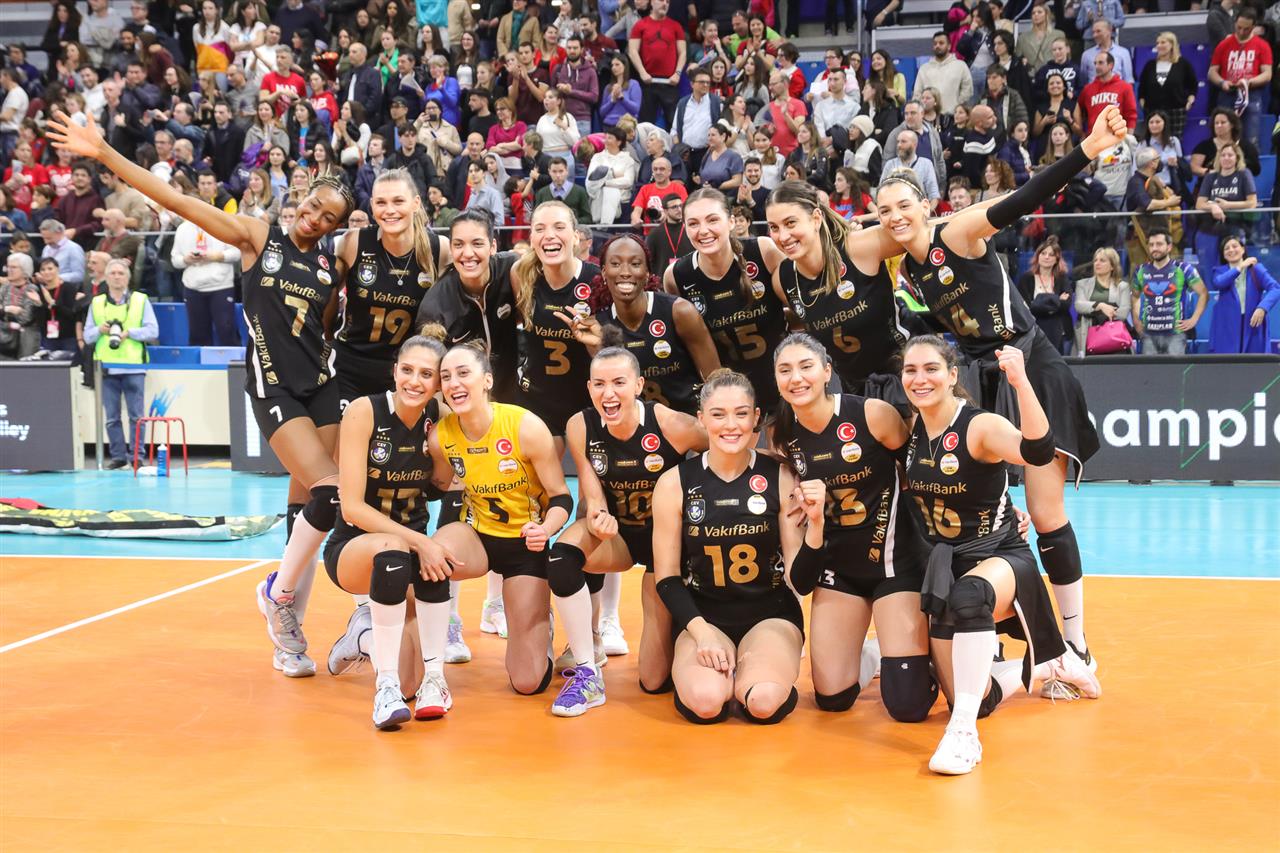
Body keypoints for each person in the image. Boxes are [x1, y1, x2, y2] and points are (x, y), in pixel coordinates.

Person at [48, 107, 354, 674]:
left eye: (327, 217)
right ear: (302, 197)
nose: (314, 218)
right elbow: (178, 201)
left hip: (321, 387)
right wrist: (105, 154)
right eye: (313, 206)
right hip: (274, 391)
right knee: (332, 492)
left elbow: (325, 328)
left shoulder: (327, 267)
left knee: (306, 513)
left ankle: (288, 637)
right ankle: (280, 596)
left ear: (335, 226)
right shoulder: (257, 236)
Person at [878, 105, 1130, 671]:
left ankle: (1076, 643)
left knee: (1044, 511)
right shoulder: (910, 271)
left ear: (926, 205)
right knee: (983, 513)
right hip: (984, 378)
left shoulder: (958, 232)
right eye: (884, 211)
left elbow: (1023, 199)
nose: (894, 217)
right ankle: (987, 632)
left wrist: (1089, 148)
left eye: (903, 206)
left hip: (1030, 365)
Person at [902, 333, 1099, 775]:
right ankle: (1049, 666)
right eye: (911, 370)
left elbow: (1037, 451)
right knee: (978, 696)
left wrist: (1021, 382)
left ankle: (962, 735)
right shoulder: (911, 429)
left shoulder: (979, 426)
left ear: (952, 375)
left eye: (931, 369)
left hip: (1001, 558)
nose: (920, 378)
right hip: (947, 564)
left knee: (970, 596)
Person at [536, 339, 709, 706]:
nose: (608, 393)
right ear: (589, 388)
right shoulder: (580, 425)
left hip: (668, 545)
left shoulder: (672, 424)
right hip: (620, 537)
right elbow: (591, 490)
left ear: (638, 385)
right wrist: (598, 516)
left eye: (618, 383)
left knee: (654, 680)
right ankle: (588, 664)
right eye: (599, 384)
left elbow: (727, 451)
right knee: (562, 557)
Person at [771, 333, 935, 717]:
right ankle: (873, 654)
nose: (796, 378)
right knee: (832, 699)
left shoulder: (872, 414)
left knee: (908, 705)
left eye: (806, 366)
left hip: (895, 565)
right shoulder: (783, 435)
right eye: (785, 370)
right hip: (840, 570)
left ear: (827, 371)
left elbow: (921, 472)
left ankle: (934, 656)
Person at [651, 368, 812, 725]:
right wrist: (701, 632)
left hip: (771, 613)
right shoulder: (674, 483)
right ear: (701, 418)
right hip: (704, 614)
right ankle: (727, 674)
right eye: (718, 414)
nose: (731, 425)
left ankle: (756, 670)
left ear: (756, 418)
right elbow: (667, 578)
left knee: (762, 702)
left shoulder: (780, 474)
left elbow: (799, 579)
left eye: (741, 414)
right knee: (706, 702)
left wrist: (814, 528)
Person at [424, 343, 575, 705]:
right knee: (430, 559)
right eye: (446, 377)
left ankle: (538, 622)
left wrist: (545, 530)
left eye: (464, 373)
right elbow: (435, 487)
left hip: (525, 544)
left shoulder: (524, 426)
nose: (454, 383)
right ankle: (429, 665)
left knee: (528, 682)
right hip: (475, 536)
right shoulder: (441, 436)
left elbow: (561, 498)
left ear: (487, 380)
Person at [324, 331, 457, 728]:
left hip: (407, 554)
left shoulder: (442, 418)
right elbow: (351, 507)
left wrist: (441, 446)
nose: (414, 381)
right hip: (354, 549)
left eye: (426, 374)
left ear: (438, 383)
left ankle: (365, 638)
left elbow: (441, 485)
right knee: (398, 549)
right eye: (407, 370)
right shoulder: (364, 412)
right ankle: (384, 689)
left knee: (411, 681)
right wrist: (421, 542)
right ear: (395, 370)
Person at [767, 181, 906, 398]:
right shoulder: (782, 280)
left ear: (816, 218)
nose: (783, 236)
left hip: (905, 372)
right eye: (774, 227)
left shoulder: (857, 247)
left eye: (790, 223)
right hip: (853, 389)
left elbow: (928, 231)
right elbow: (809, 318)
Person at [565, 233, 720, 416]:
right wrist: (598, 347)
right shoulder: (599, 326)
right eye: (615, 264)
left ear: (647, 273)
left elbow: (716, 380)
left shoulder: (679, 311)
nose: (625, 272)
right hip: (635, 428)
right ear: (604, 272)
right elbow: (610, 392)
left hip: (689, 422)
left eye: (635, 264)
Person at [666, 189, 787, 412]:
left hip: (782, 384)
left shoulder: (763, 251)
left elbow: (799, 309)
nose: (703, 230)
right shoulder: (676, 276)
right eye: (693, 223)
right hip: (729, 395)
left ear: (731, 221)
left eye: (712, 220)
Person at [509, 201, 600, 450]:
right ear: (531, 238)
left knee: (591, 473)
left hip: (587, 399)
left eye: (559, 227)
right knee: (540, 472)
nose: (549, 235)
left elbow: (610, 353)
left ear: (576, 236)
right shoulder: (521, 274)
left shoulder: (597, 280)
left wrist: (594, 344)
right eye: (540, 229)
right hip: (537, 399)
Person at [414, 211, 521, 402]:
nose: (468, 253)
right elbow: (431, 371)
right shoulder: (436, 305)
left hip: (512, 396)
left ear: (493, 246)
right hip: (464, 403)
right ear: (451, 249)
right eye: (459, 244)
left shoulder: (512, 269)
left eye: (477, 243)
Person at [82, 257, 158, 466]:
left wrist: (129, 333)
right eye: (113, 273)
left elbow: (153, 331)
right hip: (106, 368)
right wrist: (100, 330)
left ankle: (137, 457)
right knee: (111, 417)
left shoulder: (141, 300)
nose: (117, 277)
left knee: (137, 417)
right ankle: (118, 457)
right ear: (106, 278)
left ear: (128, 278)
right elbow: (87, 336)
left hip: (134, 366)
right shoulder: (97, 302)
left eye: (121, 273)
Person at [1132, 228, 1206, 356]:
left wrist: (1194, 319)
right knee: (1150, 369)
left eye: (1159, 244)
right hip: (1148, 335)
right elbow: (1135, 297)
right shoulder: (1141, 271)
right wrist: (1136, 321)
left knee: (1175, 369)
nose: (1154, 248)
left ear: (1169, 247)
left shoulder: (1183, 269)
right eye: (1151, 245)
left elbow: (1203, 293)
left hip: (1175, 335)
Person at [1207, 8, 1272, 145]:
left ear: (1253, 27)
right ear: (1234, 23)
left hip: (1251, 94)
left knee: (1251, 139)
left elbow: (1267, 74)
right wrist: (1222, 82)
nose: (1242, 32)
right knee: (1223, 138)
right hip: (1227, 93)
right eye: (1239, 27)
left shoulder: (1262, 45)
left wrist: (1249, 82)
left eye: (1246, 29)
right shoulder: (1224, 44)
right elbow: (1212, 72)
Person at [170, 218, 239, 346]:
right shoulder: (183, 228)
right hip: (193, 288)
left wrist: (218, 256)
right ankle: (200, 360)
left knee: (226, 331)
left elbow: (237, 252)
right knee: (197, 336)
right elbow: (175, 260)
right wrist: (186, 259)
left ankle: (234, 359)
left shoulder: (222, 225)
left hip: (221, 287)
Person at [1208, 235, 1280, 354]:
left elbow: (1276, 288)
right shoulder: (1219, 271)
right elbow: (1219, 282)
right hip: (1226, 328)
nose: (1231, 250)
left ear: (1243, 249)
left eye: (1235, 246)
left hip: (1253, 324)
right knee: (1226, 363)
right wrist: (1240, 267)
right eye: (1226, 248)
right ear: (1223, 255)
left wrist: (1262, 308)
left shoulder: (1256, 269)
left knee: (1253, 362)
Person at [1193, 143, 1258, 273]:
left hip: (1236, 226)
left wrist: (1228, 205)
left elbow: (1252, 203)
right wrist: (1213, 207)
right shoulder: (1210, 176)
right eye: (1223, 155)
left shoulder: (1244, 174)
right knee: (1209, 266)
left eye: (1230, 155)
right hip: (1210, 228)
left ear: (1237, 158)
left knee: (1235, 266)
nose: (1226, 158)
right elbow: (1199, 204)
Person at [628, 0, 685, 126]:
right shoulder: (640, 25)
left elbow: (683, 52)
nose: (665, 4)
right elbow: (632, 51)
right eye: (661, 0)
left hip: (670, 82)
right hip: (648, 81)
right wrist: (642, 72)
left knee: (675, 123)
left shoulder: (675, 26)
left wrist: (677, 73)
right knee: (645, 124)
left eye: (667, 1)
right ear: (652, 2)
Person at [1016, 236, 1072, 353]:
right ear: (1037, 256)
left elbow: (1066, 304)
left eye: (1051, 255)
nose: (1046, 257)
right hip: (1033, 330)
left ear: (1057, 259)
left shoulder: (1062, 278)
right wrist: (1056, 300)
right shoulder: (1026, 278)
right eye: (1043, 253)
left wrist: (1038, 303)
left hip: (1057, 330)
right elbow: (1026, 307)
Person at [1072, 247, 1131, 356]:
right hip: (1089, 338)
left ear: (1112, 266)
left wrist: (1092, 311)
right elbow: (1079, 305)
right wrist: (1100, 306)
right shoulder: (1082, 284)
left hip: (1115, 339)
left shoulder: (1123, 286)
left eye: (1102, 260)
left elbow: (1123, 314)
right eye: (1095, 260)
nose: (1097, 263)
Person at [1137, 32, 1197, 137]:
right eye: (1157, 43)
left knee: (1174, 141)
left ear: (1172, 44)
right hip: (1152, 111)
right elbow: (1142, 88)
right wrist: (1143, 104)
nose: (1159, 45)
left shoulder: (1183, 64)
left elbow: (1193, 85)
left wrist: (1190, 101)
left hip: (1176, 111)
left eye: (1163, 42)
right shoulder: (1150, 65)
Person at [0, 254, 43, 360]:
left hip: (26, 335)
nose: (9, 270)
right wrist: (9, 310)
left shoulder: (31, 289)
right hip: (5, 333)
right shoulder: (5, 288)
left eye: (14, 267)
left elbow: (25, 318)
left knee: (24, 363)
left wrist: (4, 311)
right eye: (8, 267)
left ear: (25, 270)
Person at [645, 193, 694, 272]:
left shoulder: (691, 229)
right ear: (665, 211)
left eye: (681, 206)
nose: (679, 209)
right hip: (663, 278)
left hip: (689, 277)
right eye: (674, 207)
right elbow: (648, 260)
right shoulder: (655, 234)